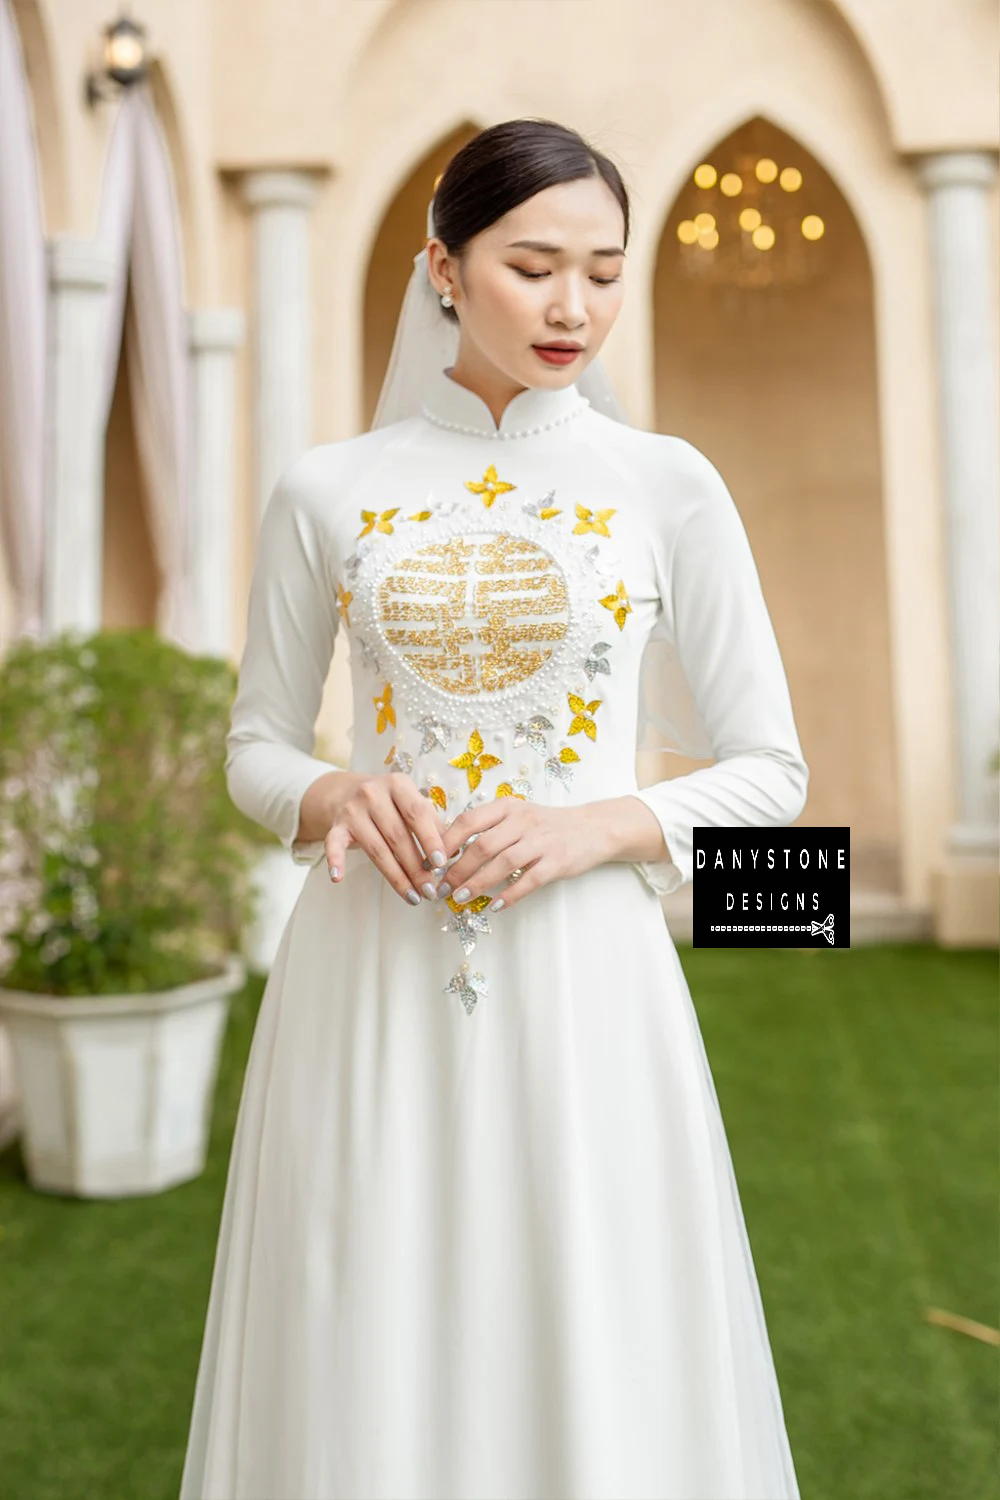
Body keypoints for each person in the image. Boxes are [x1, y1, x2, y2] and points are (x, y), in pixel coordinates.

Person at [179, 117, 808, 1500]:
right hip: (367, 970)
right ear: (444, 271)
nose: (574, 306)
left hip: (591, 978)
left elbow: (773, 772)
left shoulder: (668, 482)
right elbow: (254, 752)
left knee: (592, 1308)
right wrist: (335, 789)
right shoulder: (326, 488)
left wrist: (600, 827)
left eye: (604, 269)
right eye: (533, 266)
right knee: (366, 1304)